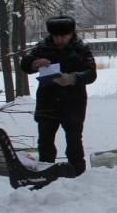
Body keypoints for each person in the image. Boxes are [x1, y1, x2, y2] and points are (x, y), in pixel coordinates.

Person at [20, 15, 97, 176]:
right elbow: (25, 64)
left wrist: (72, 78)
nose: (60, 40)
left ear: (71, 34)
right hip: (47, 101)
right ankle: (45, 174)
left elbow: (91, 74)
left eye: (64, 36)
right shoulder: (42, 47)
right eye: (56, 37)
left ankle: (77, 173)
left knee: (74, 141)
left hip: (73, 102)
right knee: (45, 141)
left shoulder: (81, 49)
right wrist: (34, 63)